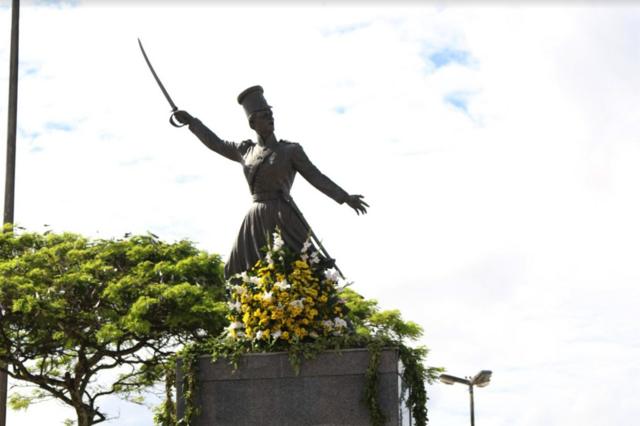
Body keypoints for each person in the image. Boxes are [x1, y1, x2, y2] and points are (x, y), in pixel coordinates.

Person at [173, 85, 368, 278]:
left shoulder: (290, 150)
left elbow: (315, 176)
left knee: (306, 262)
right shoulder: (245, 151)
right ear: (252, 122)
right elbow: (215, 143)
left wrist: (344, 197)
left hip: (283, 213)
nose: (270, 117)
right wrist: (192, 122)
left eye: (270, 114)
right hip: (255, 216)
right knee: (235, 268)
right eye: (264, 115)